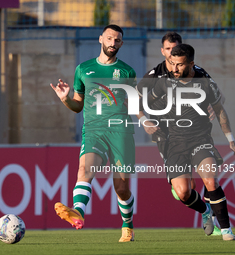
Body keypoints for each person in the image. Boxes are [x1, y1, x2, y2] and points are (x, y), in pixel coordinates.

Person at [50, 24, 156, 242]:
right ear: (100, 39)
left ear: (121, 44)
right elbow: (78, 106)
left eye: (117, 40)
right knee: (84, 170)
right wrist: (65, 99)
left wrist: (144, 120)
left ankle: (127, 225)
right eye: (109, 38)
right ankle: (78, 212)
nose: (113, 43)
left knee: (121, 187)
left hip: (121, 132)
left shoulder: (127, 71)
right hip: (93, 130)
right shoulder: (83, 69)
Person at [143, 43, 235, 241]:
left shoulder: (204, 81)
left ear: (191, 63)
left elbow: (220, 109)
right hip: (174, 142)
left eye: (179, 65)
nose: (174, 69)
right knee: (183, 193)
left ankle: (227, 229)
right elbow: (142, 101)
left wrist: (230, 138)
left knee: (210, 179)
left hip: (200, 138)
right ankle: (205, 210)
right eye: (172, 64)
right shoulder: (163, 83)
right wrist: (145, 119)